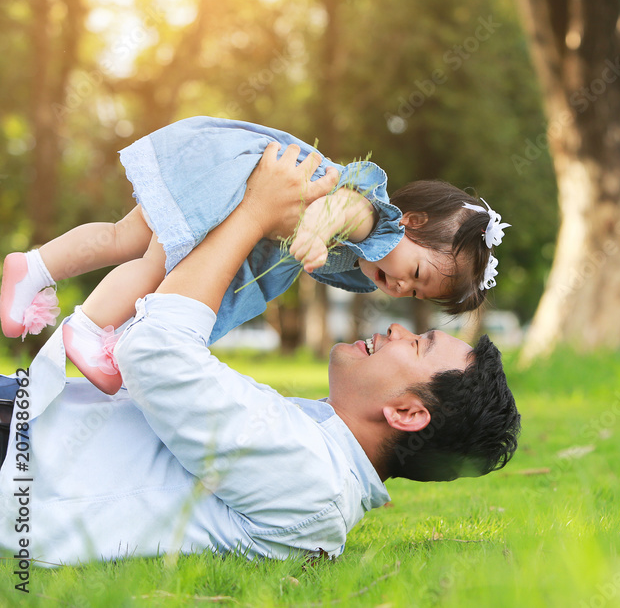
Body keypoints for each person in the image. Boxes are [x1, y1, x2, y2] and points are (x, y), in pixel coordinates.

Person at [0, 145, 520, 565]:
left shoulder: (310, 479)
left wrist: (253, 213)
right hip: (30, 420)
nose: (396, 328)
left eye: (418, 344)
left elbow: (153, 353)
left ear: (407, 413)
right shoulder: (316, 444)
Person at [0, 116, 510, 393]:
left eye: (416, 292)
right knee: (154, 262)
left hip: (224, 175)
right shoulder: (375, 219)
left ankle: (33, 268)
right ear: (413, 224)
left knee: (123, 237)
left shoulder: (370, 261)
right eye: (416, 273)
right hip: (237, 189)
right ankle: (89, 329)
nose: (401, 288)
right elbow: (340, 209)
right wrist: (314, 231)